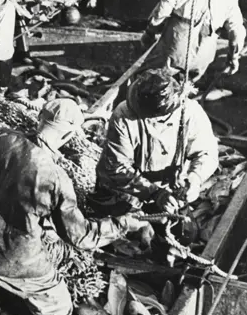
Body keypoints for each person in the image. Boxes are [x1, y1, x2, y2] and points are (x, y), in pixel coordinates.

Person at [0, 98, 152, 315]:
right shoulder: (55, 177)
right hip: (11, 258)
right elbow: (81, 236)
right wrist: (124, 224)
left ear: (39, 119)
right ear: (67, 136)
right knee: (60, 306)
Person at [93, 69, 219, 216]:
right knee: (123, 227)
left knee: (186, 234)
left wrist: (194, 178)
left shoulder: (191, 112)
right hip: (124, 188)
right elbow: (117, 167)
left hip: (170, 189)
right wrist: (155, 193)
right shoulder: (123, 116)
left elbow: (207, 152)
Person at [140, 0, 246, 82]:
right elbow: (237, 32)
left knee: (146, 80)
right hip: (203, 56)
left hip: (177, 46)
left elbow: (164, 7)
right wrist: (233, 59)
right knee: (185, 90)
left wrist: (149, 32)